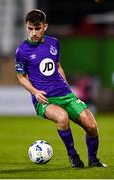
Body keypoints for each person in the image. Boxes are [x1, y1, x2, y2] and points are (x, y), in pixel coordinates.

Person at [15, 9, 107, 168]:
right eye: (30, 28)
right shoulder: (22, 50)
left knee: (91, 126)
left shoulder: (54, 43)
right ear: (26, 27)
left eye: (37, 28)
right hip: (45, 99)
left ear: (45, 26)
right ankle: (73, 156)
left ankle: (93, 160)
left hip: (65, 94)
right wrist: (35, 92)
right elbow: (21, 77)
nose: (34, 32)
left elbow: (57, 67)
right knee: (62, 118)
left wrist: (66, 86)